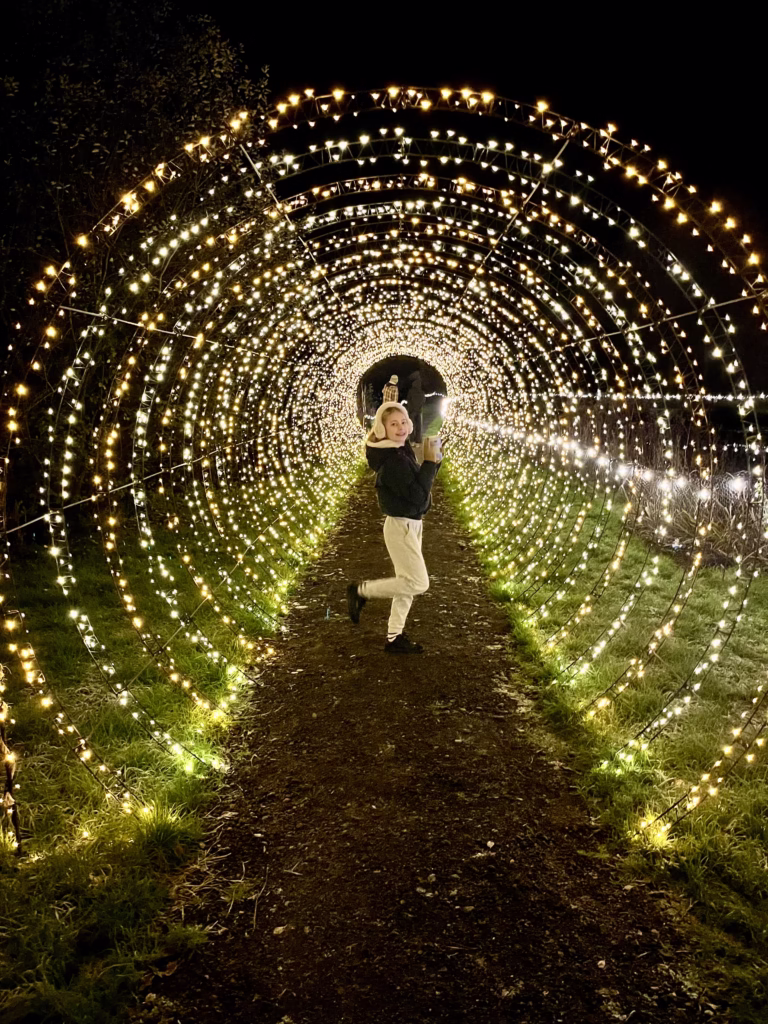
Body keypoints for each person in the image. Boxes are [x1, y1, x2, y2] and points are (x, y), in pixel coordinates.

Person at [347, 402, 443, 654]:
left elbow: (419, 491)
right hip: (401, 526)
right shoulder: (392, 461)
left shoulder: (400, 450)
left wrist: (434, 462)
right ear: (382, 428)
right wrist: (430, 464)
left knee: (406, 583)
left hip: (409, 524)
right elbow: (417, 496)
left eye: (403, 422)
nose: (400, 428)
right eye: (393, 424)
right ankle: (361, 591)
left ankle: (394, 637)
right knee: (419, 583)